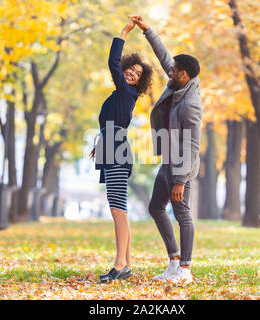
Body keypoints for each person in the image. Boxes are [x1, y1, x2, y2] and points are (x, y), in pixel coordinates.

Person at [130, 15, 202, 285]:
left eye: (173, 71)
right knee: (156, 207)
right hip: (169, 162)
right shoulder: (178, 82)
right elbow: (164, 57)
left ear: (184, 74)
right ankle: (173, 263)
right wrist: (147, 30)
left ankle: (185, 269)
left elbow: (192, 144)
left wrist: (181, 180)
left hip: (182, 165)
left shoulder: (191, 103)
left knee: (182, 212)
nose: (168, 72)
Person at [90, 18, 153, 283]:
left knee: (117, 209)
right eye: (131, 70)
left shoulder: (127, 93)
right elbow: (109, 123)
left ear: (139, 81)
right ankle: (124, 263)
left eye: (138, 74)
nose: (132, 74)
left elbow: (112, 63)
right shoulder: (120, 95)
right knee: (120, 209)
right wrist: (99, 146)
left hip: (116, 151)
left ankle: (120, 265)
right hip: (111, 148)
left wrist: (125, 32)